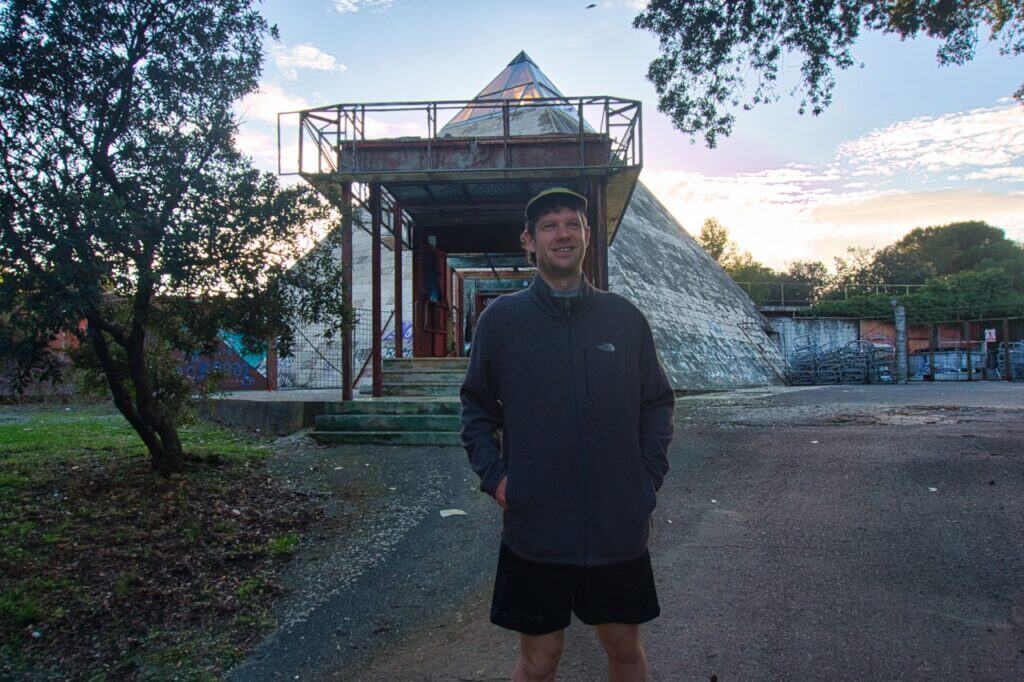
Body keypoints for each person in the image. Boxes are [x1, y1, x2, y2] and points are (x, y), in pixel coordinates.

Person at [460, 187, 675, 681]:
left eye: (572, 223)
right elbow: (475, 407)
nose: (563, 234)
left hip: (616, 526)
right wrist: (496, 478)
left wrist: (644, 481)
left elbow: (657, 404)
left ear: (587, 236)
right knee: (539, 659)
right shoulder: (502, 321)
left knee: (624, 649)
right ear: (529, 242)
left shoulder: (624, 319)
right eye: (550, 225)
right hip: (537, 527)